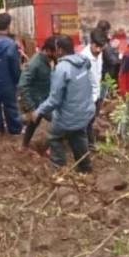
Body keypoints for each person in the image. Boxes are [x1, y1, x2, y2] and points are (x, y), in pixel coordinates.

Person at [34, 35, 95, 173]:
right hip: (85, 112)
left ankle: (59, 168)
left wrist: (38, 111)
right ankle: (85, 168)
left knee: (53, 136)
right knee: (78, 135)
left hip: (70, 117)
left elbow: (54, 100)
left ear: (59, 50)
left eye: (55, 49)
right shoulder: (83, 60)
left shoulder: (62, 68)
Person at [19, 36, 58, 148]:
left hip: (46, 98)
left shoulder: (52, 60)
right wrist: (31, 108)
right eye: (56, 51)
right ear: (48, 51)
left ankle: (24, 145)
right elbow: (23, 84)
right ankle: (50, 148)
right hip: (39, 101)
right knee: (57, 121)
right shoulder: (35, 63)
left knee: (34, 123)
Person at [80, 29, 107, 149]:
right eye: (96, 46)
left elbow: (98, 74)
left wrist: (99, 95)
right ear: (91, 42)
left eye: (101, 47)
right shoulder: (83, 58)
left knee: (90, 121)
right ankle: (85, 147)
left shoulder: (99, 53)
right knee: (85, 123)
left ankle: (90, 144)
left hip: (95, 95)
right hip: (86, 97)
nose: (99, 50)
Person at [97, 20, 121, 95]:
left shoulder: (98, 39)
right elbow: (113, 61)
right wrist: (116, 51)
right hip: (107, 74)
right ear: (106, 31)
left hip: (101, 72)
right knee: (104, 94)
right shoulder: (104, 43)